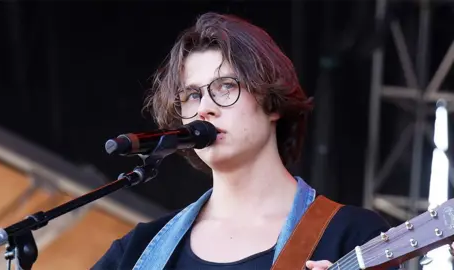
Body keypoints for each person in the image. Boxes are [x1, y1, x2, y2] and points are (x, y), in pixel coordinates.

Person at [93, 12, 397, 270]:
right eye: (192, 95)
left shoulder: (353, 235)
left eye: (225, 87)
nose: (204, 108)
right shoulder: (137, 251)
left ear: (273, 103)